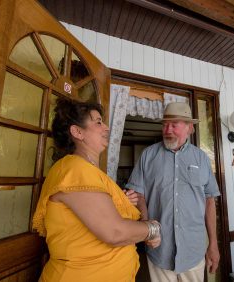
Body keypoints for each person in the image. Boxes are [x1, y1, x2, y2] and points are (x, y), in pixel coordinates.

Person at [32, 97, 161, 282]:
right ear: (77, 132)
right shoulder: (75, 169)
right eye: (98, 122)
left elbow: (98, 214)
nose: (107, 127)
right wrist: (153, 229)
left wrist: (121, 202)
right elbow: (114, 232)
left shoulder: (87, 171)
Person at [125, 102, 221, 282]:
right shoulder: (148, 155)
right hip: (159, 249)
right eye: (165, 124)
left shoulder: (201, 158)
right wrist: (148, 228)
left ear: (189, 128)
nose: (167, 129)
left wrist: (213, 245)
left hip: (193, 250)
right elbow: (138, 195)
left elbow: (209, 201)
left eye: (174, 124)